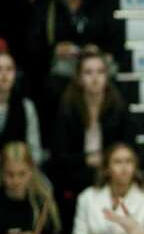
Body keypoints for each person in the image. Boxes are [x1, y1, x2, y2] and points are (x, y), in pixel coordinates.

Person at [22, 0, 120, 122]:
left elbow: (115, 41)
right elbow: (31, 44)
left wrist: (96, 50)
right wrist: (54, 50)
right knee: (51, 89)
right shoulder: (47, 4)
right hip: (60, 70)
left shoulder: (101, 4)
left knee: (107, 86)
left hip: (93, 68)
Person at [50, 46, 134, 200]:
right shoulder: (67, 107)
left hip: (110, 174)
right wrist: (86, 159)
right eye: (88, 72)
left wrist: (108, 160)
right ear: (79, 78)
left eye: (100, 72)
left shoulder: (119, 107)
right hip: (75, 176)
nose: (95, 78)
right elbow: (60, 155)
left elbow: (129, 147)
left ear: (107, 76)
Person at [0, 141, 60, 234]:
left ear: (31, 171)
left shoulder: (42, 202)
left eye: (22, 174)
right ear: (2, 173)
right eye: (10, 174)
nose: (16, 181)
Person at [0, 50, 42, 164]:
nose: (4, 74)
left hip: (20, 172)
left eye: (9, 69)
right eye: (0, 69)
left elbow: (35, 151)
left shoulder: (27, 107)